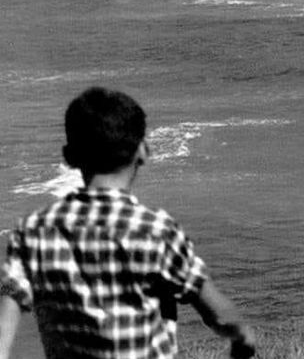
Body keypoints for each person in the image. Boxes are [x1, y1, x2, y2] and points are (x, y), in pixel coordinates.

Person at [0, 87, 256, 359]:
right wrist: (243, 338)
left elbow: (7, 315)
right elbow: (220, 318)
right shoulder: (156, 230)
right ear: (143, 152)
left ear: (68, 157)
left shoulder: (32, 232)